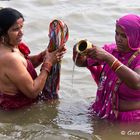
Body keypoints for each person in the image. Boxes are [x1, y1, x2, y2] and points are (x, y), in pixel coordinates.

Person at [73, 14, 140, 122]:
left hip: (131, 120)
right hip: (104, 113)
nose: (118, 39)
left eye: (123, 36)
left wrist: (109, 58)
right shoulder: (112, 50)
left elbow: (137, 82)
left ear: (136, 36)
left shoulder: (137, 58)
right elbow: (82, 63)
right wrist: (78, 52)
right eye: (116, 33)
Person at [0, 7, 66, 110]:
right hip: (18, 112)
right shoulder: (9, 58)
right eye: (16, 29)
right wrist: (48, 63)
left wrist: (43, 56)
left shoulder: (8, 45)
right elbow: (33, 92)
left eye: (21, 27)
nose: (21, 32)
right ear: (2, 32)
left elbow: (23, 65)